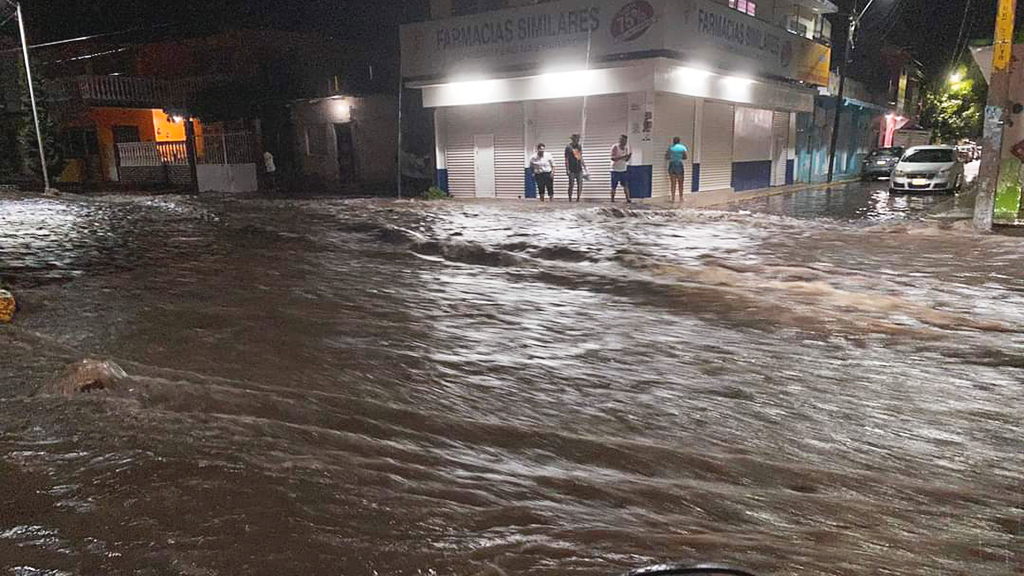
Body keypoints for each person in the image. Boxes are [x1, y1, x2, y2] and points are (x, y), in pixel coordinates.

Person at [665, 136, 689, 202]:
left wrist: (673, 157)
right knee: (680, 182)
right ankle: (681, 198)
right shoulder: (682, 147)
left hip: (672, 164)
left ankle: (673, 198)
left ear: (673, 141)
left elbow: (667, 157)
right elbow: (685, 157)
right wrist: (679, 157)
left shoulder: (670, 148)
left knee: (673, 182)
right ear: (679, 141)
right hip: (679, 164)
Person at [564, 134, 586, 202]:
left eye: (578, 139)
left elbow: (579, 156)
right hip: (571, 168)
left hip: (579, 168)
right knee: (571, 184)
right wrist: (567, 169)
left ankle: (578, 198)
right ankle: (570, 198)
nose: (578, 140)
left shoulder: (579, 146)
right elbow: (566, 159)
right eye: (576, 139)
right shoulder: (568, 147)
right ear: (573, 139)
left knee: (580, 184)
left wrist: (584, 166)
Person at [610, 134, 631, 203]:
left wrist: (628, 156)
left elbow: (626, 160)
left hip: (623, 169)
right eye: (622, 140)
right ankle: (612, 199)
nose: (624, 142)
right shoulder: (615, 147)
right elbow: (613, 158)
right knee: (614, 186)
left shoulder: (626, 148)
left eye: (625, 141)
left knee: (625, 185)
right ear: (620, 140)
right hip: (615, 170)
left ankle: (628, 199)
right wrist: (622, 157)